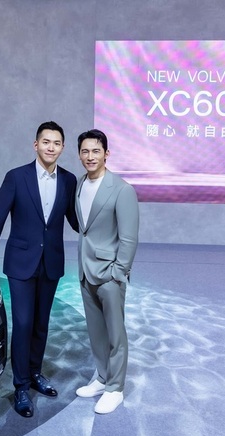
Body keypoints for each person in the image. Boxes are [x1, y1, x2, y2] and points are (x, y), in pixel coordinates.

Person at [0, 121, 79, 418]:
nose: (50, 147)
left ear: (62, 148)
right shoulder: (16, 177)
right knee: (22, 324)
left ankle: (35, 373)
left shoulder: (69, 180)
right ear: (36, 145)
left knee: (41, 324)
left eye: (56, 143)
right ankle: (20, 385)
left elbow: (76, 220)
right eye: (46, 142)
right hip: (21, 262)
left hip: (51, 262)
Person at [74, 128, 139, 414]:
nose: (90, 156)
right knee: (96, 332)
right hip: (85, 270)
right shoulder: (79, 184)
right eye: (85, 151)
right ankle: (102, 378)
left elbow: (129, 238)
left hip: (109, 274)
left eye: (96, 151)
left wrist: (118, 272)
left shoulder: (122, 190)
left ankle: (115, 388)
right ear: (80, 155)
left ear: (106, 154)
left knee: (115, 334)